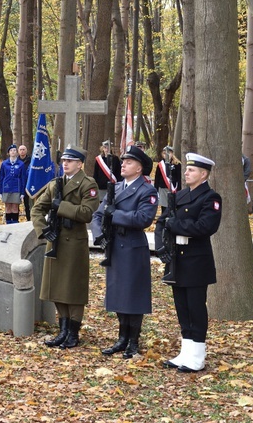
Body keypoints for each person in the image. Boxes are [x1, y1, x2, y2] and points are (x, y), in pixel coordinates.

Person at [91, 145, 158, 359]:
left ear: (139, 168)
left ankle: (133, 341)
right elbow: (98, 216)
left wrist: (116, 214)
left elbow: (142, 219)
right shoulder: (116, 188)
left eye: (128, 162)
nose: (123, 164)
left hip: (132, 246)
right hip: (114, 246)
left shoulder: (147, 190)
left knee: (133, 295)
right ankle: (122, 338)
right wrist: (99, 234)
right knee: (118, 293)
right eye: (123, 161)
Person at [157, 153, 221, 373]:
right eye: (186, 170)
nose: (186, 172)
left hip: (196, 262)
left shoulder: (210, 198)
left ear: (203, 174)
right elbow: (164, 220)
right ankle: (186, 352)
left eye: (191, 170)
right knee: (182, 308)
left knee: (195, 308)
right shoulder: (182, 194)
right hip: (177, 260)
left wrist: (176, 225)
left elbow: (206, 227)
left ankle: (198, 356)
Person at [32, 145, 99, 349]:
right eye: (63, 161)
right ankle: (62, 330)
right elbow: (37, 209)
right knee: (56, 287)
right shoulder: (55, 184)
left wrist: (61, 206)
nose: (65, 164)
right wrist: (44, 230)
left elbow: (87, 212)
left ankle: (73, 332)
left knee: (74, 289)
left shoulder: (88, 184)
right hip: (56, 240)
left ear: (80, 164)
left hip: (74, 243)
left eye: (70, 161)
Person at [0, 144, 28, 224]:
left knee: (15, 207)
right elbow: (1, 177)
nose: (13, 152)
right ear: (8, 153)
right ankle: (8, 223)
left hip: (16, 188)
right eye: (11, 150)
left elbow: (23, 178)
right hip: (6, 188)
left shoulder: (21, 164)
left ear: (16, 152)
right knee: (7, 206)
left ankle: (15, 223)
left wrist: (22, 192)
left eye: (14, 150)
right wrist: (0, 191)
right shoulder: (4, 164)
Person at [18, 145, 32, 220]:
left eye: (23, 149)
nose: (22, 151)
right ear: (18, 151)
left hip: (28, 185)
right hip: (18, 185)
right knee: (15, 205)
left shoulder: (31, 160)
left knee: (27, 205)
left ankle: (29, 219)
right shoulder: (16, 161)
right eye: (21, 149)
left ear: (26, 151)